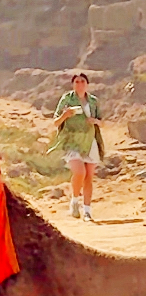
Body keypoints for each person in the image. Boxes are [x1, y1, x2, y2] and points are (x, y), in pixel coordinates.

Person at [49, 71, 102, 221]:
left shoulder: (93, 101)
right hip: (71, 140)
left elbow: (102, 121)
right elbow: (55, 122)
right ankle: (74, 200)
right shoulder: (67, 99)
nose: (79, 84)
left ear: (87, 84)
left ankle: (87, 211)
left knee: (89, 176)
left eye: (82, 81)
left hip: (89, 140)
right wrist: (65, 115)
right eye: (77, 82)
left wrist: (95, 121)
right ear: (72, 84)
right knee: (79, 172)